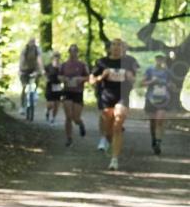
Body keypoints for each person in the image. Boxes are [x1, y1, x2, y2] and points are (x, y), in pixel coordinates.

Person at [90, 38, 138, 170]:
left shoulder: (130, 61)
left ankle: (114, 159)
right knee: (109, 129)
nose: (117, 47)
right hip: (106, 97)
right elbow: (92, 80)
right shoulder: (102, 62)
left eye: (120, 45)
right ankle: (108, 140)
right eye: (114, 45)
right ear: (110, 47)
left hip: (122, 96)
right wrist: (102, 76)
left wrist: (129, 76)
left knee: (117, 125)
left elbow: (135, 80)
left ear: (124, 48)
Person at [59, 44, 89, 147]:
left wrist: (81, 79)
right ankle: (69, 138)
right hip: (67, 91)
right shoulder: (64, 65)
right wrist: (64, 79)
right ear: (69, 52)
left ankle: (80, 123)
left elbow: (89, 77)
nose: (73, 53)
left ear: (77, 52)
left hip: (78, 92)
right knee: (68, 116)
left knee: (75, 117)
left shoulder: (82, 65)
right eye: (71, 51)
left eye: (75, 51)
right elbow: (59, 75)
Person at [142, 54, 172, 155]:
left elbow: (172, 84)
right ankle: (154, 139)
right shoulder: (149, 70)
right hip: (151, 99)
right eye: (158, 58)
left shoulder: (167, 72)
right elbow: (143, 83)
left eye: (161, 59)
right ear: (155, 59)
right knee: (153, 122)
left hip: (164, 99)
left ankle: (158, 142)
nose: (159, 60)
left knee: (160, 120)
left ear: (164, 60)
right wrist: (152, 81)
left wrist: (169, 85)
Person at [19, 38, 43, 116]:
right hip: (25, 69)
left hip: (34, 69)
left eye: (33, 42)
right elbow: (21, 60)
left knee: (35, 84)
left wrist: (41, 70)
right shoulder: (25, 50)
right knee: (24, 87)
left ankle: (34, 95)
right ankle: (22, 106)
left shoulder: (37, 50)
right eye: (31, 42)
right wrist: (20, 70)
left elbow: (39, 60)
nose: (32, 44)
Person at [44, 51, 64, 123]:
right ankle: (47, 110)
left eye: (58, 57)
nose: (56, 58)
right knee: (51, 104)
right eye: (55, 57)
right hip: (50, 86)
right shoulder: (48, 66)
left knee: (57, 104)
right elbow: (44, 74)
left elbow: (64, 75)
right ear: (52, 58)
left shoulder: (62, 67)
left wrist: (62, 79)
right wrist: (46, 78)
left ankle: (53, 118)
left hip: (58, 86)